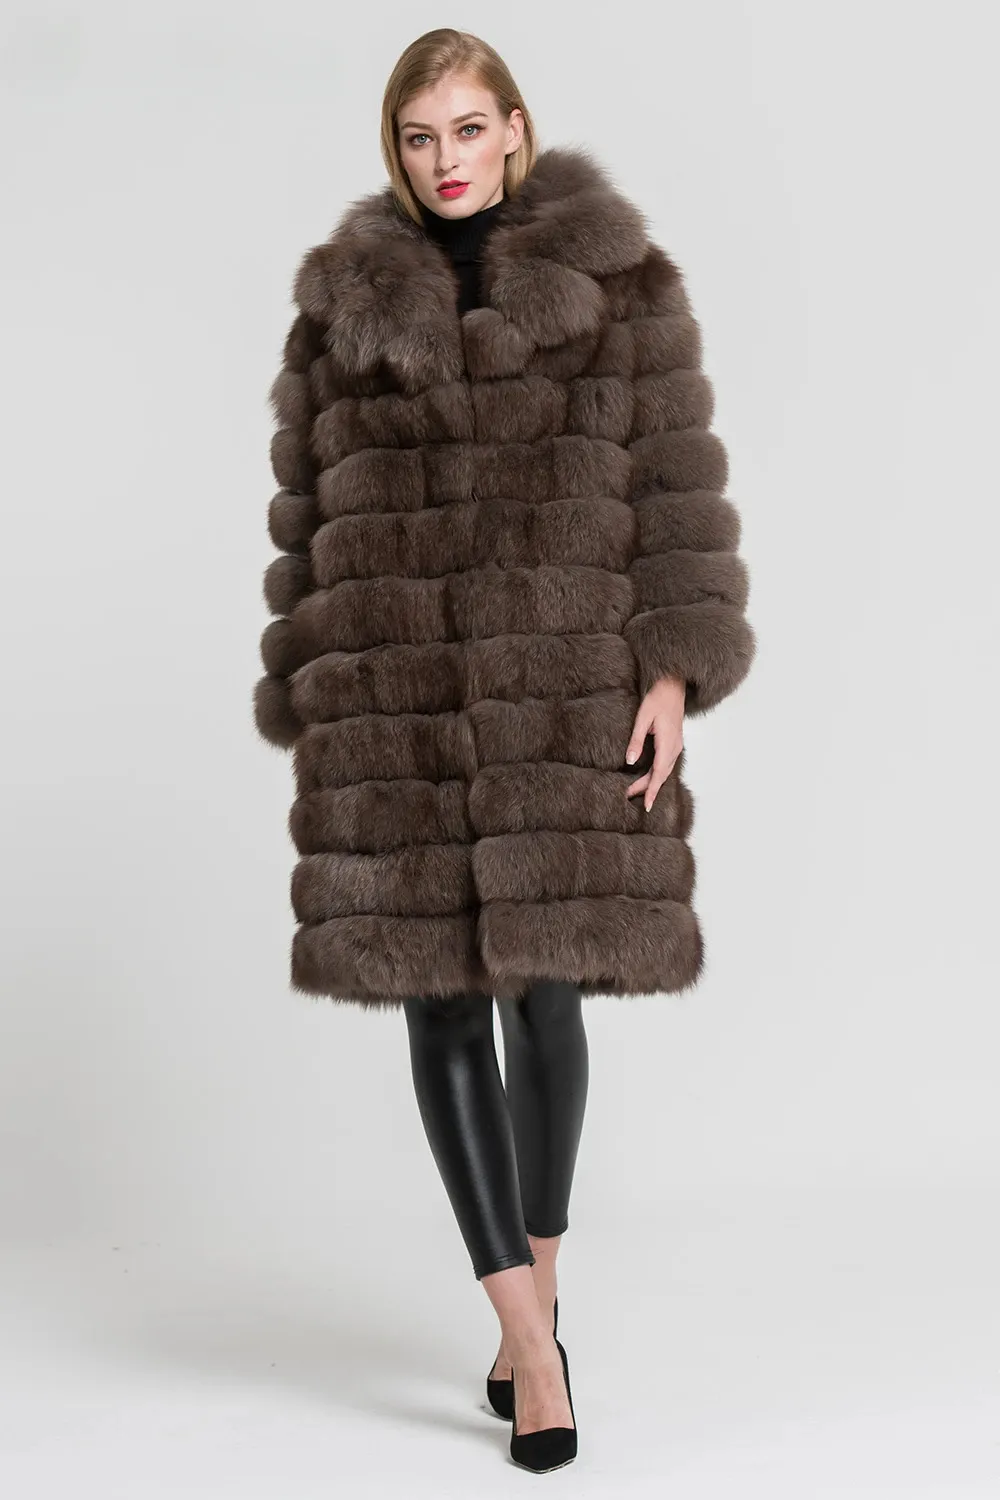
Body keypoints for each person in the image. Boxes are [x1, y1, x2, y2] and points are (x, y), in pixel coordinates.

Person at [254, 27, 755, 1473]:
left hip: (562, 695)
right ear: (396, 150)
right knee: (435, 1013)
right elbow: (303, 523)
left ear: (517, 128)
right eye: (421, 138)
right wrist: (311, 689)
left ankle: (539, 1282)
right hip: (396, 707)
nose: (447, 160)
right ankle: (530, 1346)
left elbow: (673, 487)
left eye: (469, 129)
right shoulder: (339, 315)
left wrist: (674, 669)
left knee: (545, 1004)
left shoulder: (623, 286)